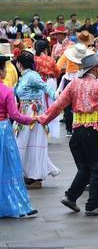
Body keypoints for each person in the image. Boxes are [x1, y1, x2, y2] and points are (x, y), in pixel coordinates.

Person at [39, 53, 98, 216]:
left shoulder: (73, 84)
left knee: (86, 168)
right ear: (95, 68)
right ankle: (93, 205)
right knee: (97, 168)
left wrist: (44, 119)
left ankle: (71, 197)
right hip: (91, 131)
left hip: (77, 131)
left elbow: (58, 105)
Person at [14, 51, 60, 189]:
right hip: (24, 113)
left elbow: (46, 87)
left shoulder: (32, 76)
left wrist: (58, 99)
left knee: (30, 143)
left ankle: (35, 176)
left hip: (32, 113)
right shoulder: (25, 76)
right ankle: (28, 174)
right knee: (24, 144)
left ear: (19, 64)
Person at [0, 57, 38, 219]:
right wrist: (33, 119)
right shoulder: (7, 91)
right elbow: (15, 115)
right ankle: (18, 204)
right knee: (9, 167)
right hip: (3, 130)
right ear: (1, 71)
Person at [34, 39, 62, 140]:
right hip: (50, 82)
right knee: (52, 106)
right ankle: (52, 132)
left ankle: (41, 131)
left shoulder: (34, 59)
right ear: (46, 49)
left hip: (38, 83)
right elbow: (58, 73)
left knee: (40, 106)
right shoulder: (50, 59)